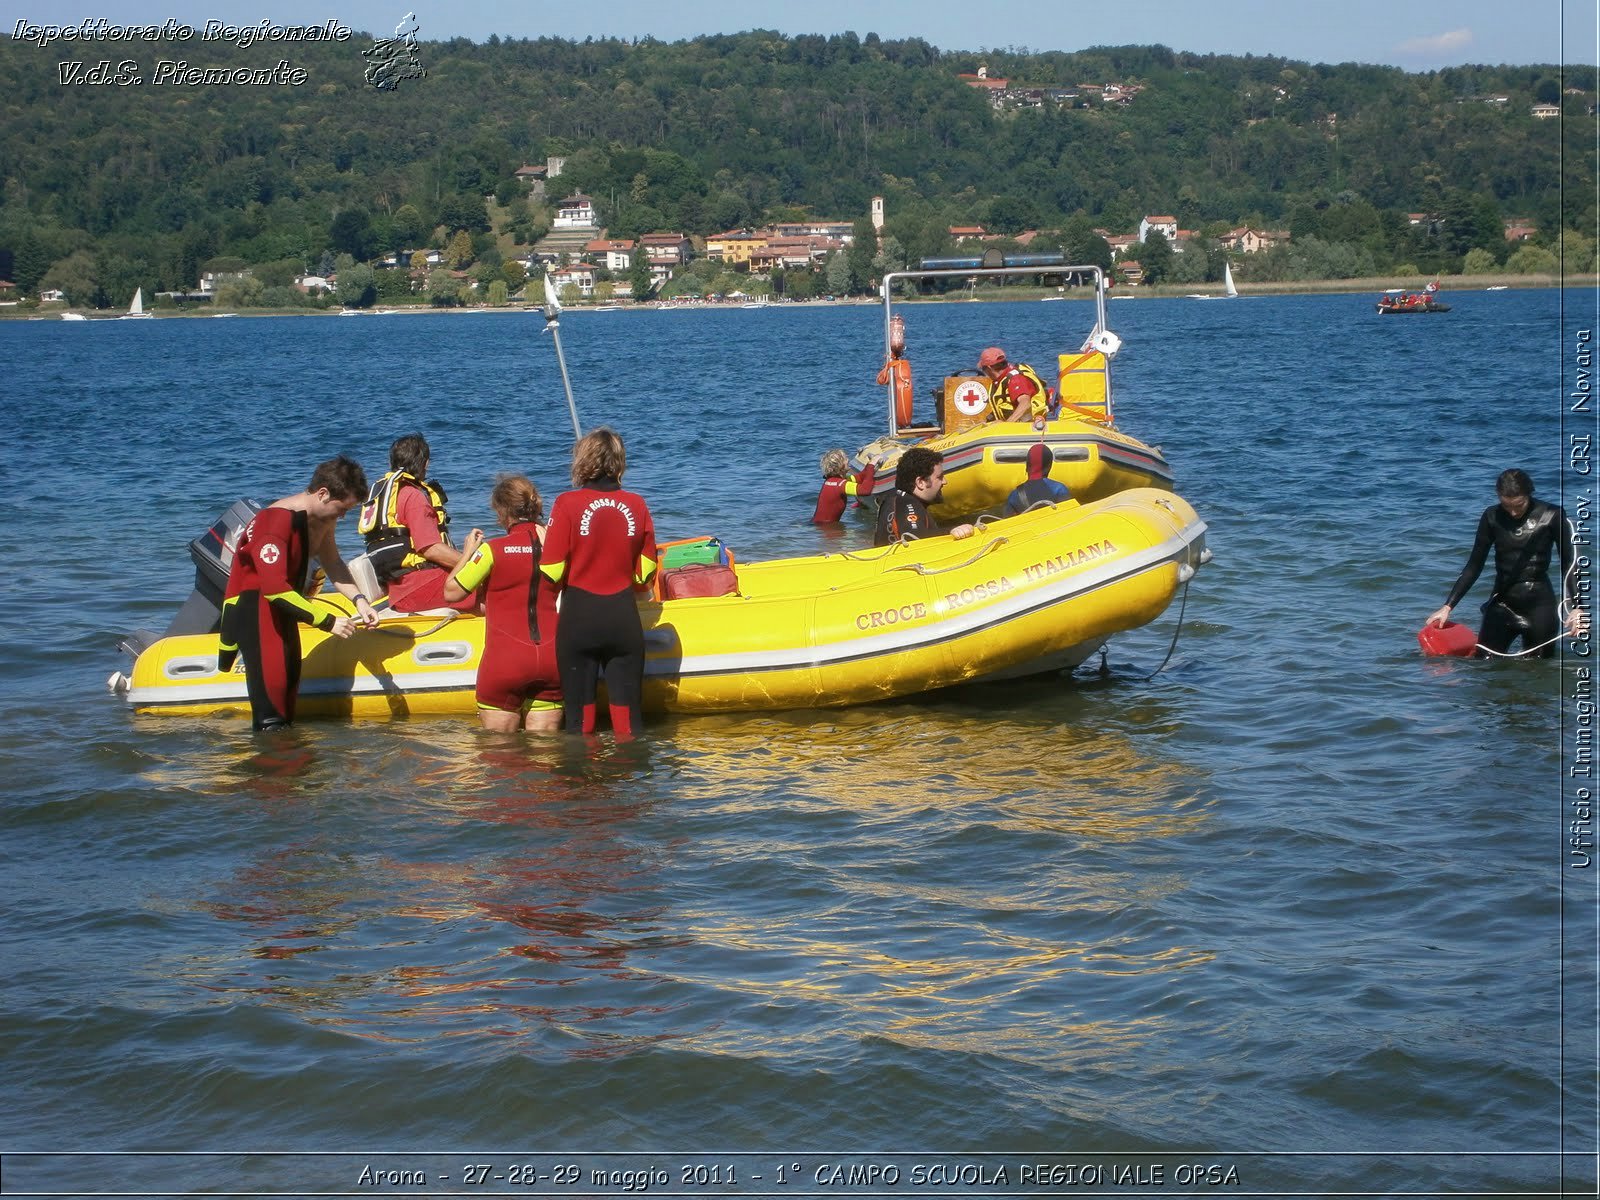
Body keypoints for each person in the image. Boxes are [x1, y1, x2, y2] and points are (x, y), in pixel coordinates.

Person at [218, 455, 380, 730]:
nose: (343, 516)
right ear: (323, 493)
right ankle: (268, 769)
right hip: (258, 615)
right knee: (272, 717)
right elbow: (274, 590)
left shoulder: (322, 520)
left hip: (283, 615)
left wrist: (360, 600)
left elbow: (333, 563)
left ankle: (295, 770)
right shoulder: (275, 521)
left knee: (286, 708)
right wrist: (328, 621)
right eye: (343, 509)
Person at [540, 428, 658, 737]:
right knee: (629, 725)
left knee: (579, 725)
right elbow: (645, 575)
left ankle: (584, 782)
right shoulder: (637, 504)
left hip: (579, 620)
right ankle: (634, 782)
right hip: (623, 620)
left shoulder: (566, 503)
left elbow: (551, 570)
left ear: (581, 461)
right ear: (619, 463)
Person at [1425, 468, 1587, 658]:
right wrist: (1448, 606)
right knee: (1483, 666)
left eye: (1519, 505)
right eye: (1506, 505)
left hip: (1540, 608)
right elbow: (1474, 565)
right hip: (1502, 604)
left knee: (1539, 672)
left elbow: (1569, 563)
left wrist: (1578, 607)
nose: (1512, 512)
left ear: (1529, 494)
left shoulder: (1552, 515)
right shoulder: (1491, 516)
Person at [443, 475, 562, 732]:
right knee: (548, 759)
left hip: (505, 661)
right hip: (554, 658)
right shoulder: (557, 549)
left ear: (502, 513)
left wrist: (467, 554)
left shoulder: (492, 550)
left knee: (501, 758)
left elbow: (451, 592)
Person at [358, 433, 482, 613]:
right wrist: (471, 560)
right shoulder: (413, 496)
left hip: (399, 589)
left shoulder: (382, 494)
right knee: (492, 588)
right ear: (426, 463)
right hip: (418, 589)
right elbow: (431, 549)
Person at [873, 446, 976, 546]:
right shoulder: (908, 503)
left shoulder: (893, 497)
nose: (945, 482)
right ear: (920, 482)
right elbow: (913, 537)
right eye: (939, 477)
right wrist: (952, 530)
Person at [977, 346, 1052, 423]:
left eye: (983, 369)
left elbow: (1025, 404)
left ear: (989, 368)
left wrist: (1007, 424)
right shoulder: (1002, 379)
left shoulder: (1016, 379)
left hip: (1026, 427)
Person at [1004, 443, 1072, 516]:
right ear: (1049, 466)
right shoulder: (1059, 489)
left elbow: (1007, 523)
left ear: (1027, 466)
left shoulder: (1014, 495)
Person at [811, 449, 876, 523]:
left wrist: (870, 464)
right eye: (845, 458)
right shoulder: (840, 485)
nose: (848, 459)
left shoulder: (834, 480)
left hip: (821, 524)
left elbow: (860, 478)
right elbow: (865, 490)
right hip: (826, 527)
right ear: (840, 465)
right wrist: (871, 466)